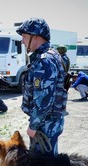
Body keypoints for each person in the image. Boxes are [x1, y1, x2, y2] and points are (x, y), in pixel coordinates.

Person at [16, 18, 66, 156]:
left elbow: (44, 100)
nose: (22, 41)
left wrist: (33, 126)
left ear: (36, 37)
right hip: (49, 122)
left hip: (45, 125)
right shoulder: (51, 55)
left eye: (25, 37)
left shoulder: (44, 61)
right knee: (49, 165)